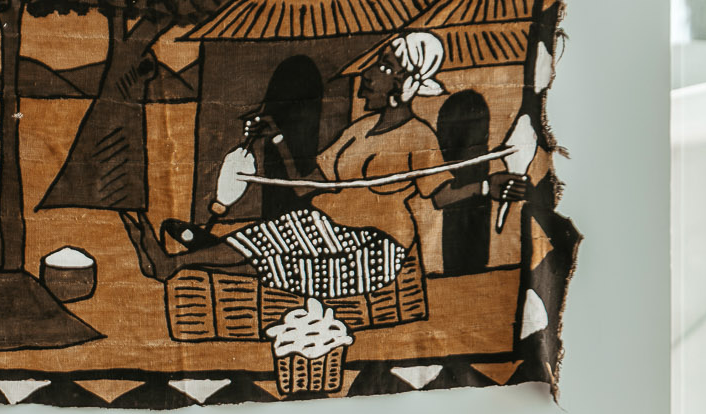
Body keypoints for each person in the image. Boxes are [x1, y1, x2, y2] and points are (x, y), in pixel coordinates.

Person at [131, 31, 526, 291]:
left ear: (403, 88)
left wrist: (489, 186)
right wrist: (277, 139)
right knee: (268, 235)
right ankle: (174, 264)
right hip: (325, 222)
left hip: (376, 245)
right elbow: (308, 186)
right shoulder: (359, 129)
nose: (369, 74)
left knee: (292, 264)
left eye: (385, 68)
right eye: (378, 62)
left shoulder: (418, 136)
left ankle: (192, 255)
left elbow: (440, 196)